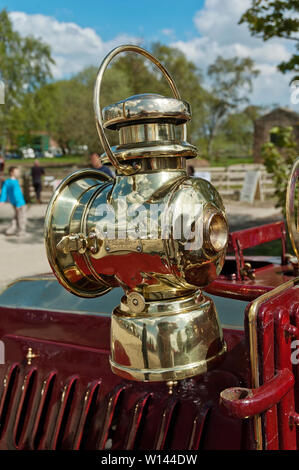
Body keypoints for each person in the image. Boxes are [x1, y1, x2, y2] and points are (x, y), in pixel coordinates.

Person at [0, 166, 27, 236]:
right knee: (21, 217)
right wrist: (18, 204)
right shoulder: (15, 182)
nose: (18, 173)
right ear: (12, 173)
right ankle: (21, 231)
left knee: (16, 216)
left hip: (14, 202)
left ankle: (11, 229)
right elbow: (17, 194)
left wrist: (2, 200)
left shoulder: (7, 182)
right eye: (16, 171)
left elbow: (4, 191)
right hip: (20, 203)